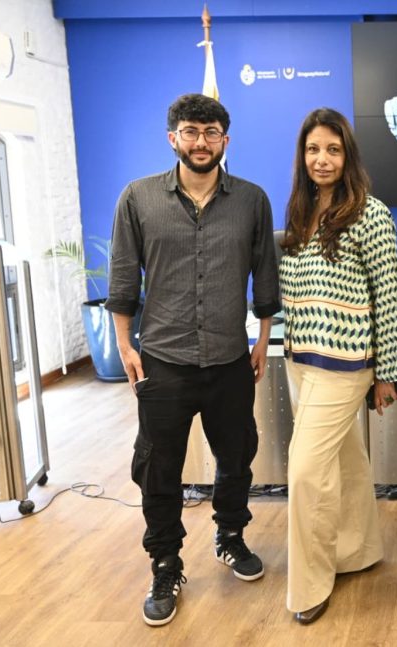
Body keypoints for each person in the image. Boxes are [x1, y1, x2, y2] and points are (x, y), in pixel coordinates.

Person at [107, 93, 280, 626]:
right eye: (190, 131)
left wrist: (262, 339)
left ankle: (230, 535)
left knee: (237, 456)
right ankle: (165, 563)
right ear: (173, 138)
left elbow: (265, 275)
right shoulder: (138, 198)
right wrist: (125, 345)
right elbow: (123, 276)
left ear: (225, 140)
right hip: (163, 360)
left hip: (230, 358)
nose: (200, 142)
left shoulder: (251, 200)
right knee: (157, 467)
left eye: (211, 133)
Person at [279, 108, 397, 625]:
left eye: (332, 149)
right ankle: (358, 549)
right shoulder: (299, 212)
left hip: (346, 365)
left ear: (347, 155)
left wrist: (389, 373)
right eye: (313, 149)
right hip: (300, 359)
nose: (322, 159)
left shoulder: (371, 214)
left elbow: (389, 298)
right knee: (345, 461)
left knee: (306, 471)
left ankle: (309, 586)